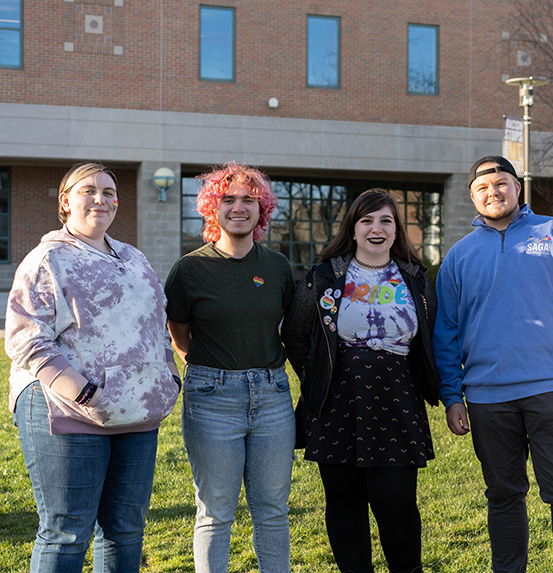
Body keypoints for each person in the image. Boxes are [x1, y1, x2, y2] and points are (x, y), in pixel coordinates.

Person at [433, 155, 553, 573]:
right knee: (503, 495)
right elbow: (446, 332)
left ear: (517, 187)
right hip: (487, 397)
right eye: (482, 187)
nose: (493, 192)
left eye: (501, 183)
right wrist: (451, 395)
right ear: (472, 196)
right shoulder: (458, 256)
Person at [5, 162, 181, 573]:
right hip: (65, 412)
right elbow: (26, 337)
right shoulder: (47, 258)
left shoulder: (134, 257)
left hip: (137, 415)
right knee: (67, 531)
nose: (100, 198)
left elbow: (157, 323)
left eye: (107, 191)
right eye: (88, 190)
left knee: (126, 530)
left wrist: (168, 379)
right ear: (65, 201)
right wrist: (83, 392)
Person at [285, 188, 439, 573]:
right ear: (352, 229)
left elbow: (431, 335)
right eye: (367, 220)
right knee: (343, 502)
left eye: (385, 220)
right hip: (336, 404)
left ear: (396, 229)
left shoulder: (415, 278)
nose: (376, 228)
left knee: (397, 502)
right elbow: (296, 335)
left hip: (397, 402)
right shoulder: (325, 277)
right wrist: (320, 374)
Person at [164, 163, 296, 573]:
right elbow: (180, 337)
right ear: (211, 208)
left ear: (262, 211)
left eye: (249, 200)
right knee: (216, 511)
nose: (239, 207)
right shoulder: (190, 269)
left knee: (273, 509)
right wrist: (216, 376)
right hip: (211, 400)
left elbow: (287, 327)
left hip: (273, 398)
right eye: (228, 199)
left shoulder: (277, 267)